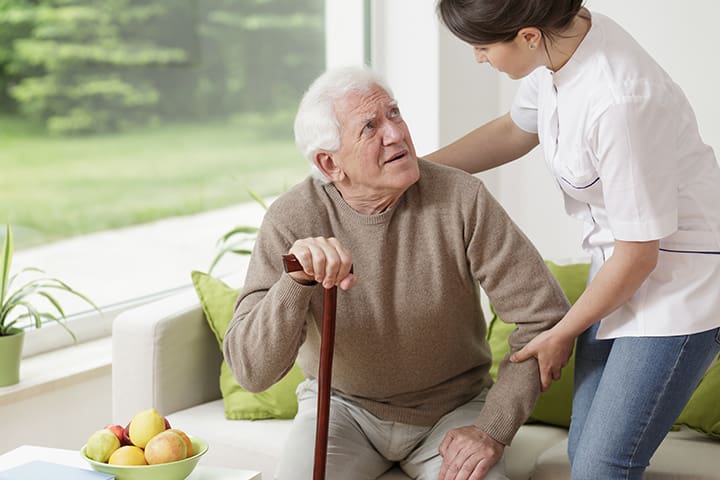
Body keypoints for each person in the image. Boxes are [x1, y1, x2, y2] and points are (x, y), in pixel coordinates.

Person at [222, 65, 570, 480]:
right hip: (341, 409)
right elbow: (252, 372)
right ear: (330, 164)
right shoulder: (293, 218)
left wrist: (490, 429)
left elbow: (544, 318)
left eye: (395, 113)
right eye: (370, 127)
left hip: (452, 409)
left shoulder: (461, 198)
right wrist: (295, 281)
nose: (395, 133)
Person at [430, 1, 720, 479]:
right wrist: (415, 173)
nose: (479, 60)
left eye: (482, 49)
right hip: (619, 268)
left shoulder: (620, 100)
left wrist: (560, 333)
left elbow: (639, 257)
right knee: (584, 452)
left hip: (680, 287)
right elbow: (513, 130)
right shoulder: (561, 44)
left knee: (602, 466)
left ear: (526, 37)